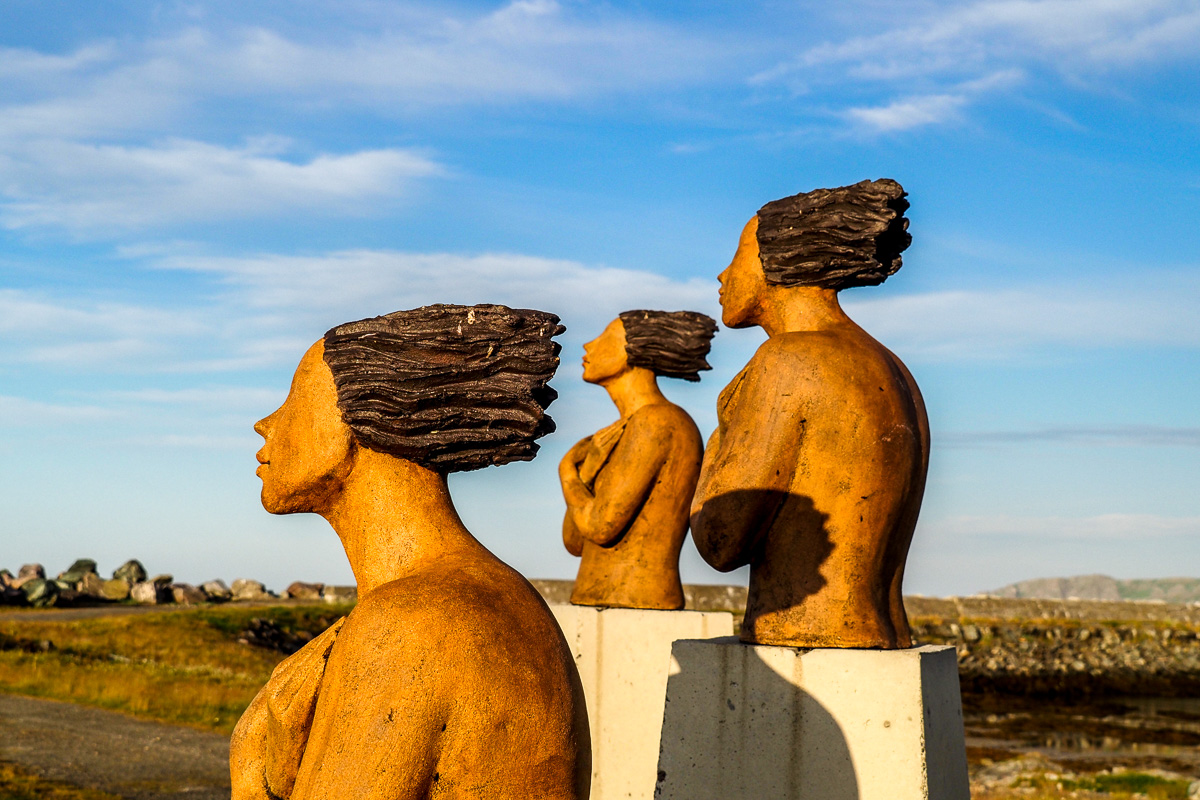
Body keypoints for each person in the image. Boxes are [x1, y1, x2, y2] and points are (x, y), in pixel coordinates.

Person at [231, 304, 590, 800]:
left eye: (295, 399)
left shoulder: (411, 622)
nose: (264, 423)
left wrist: (253, 777)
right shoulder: (481, 594)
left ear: (357, 423)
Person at [690, 179, 930, 649]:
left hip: (805, 633)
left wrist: (719, 441)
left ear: (779, 264)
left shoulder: (789, 359)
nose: (722, 275)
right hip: (884, 633)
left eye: (738, 257)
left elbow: (720, 541)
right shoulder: (889, 365)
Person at [559, 310, 716, 610]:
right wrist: (587, 472)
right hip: (594, 599)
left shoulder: (658, 421)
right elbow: (575, 543)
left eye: (605, 337)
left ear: (635, 351)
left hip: (641, 598)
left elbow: (600, 527)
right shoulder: (612, 436)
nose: (589, 345)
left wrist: (567, 471)